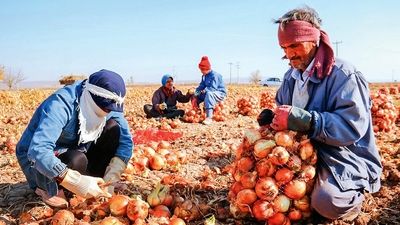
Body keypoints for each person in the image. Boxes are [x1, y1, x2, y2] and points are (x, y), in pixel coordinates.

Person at [258, 6, 382, 221]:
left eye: (295, 45)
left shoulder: (344, 75)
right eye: (284, 47)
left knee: (327, 203)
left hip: (343, 154)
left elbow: (352, 126)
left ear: (313, 40)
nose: (289, 54)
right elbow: (284, 109)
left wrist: (309, 121)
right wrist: (273, 118)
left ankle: (356, 197)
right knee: (264, 183)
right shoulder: (291, 76)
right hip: (304, 150)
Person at [16, 69, 133, 208]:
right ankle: (47, 188)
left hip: (80, 147)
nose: (108, 112)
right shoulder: (61, 104)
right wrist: (74, 181)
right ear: (92, 98)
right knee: (77, 160)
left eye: (111, 110)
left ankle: (96, 182)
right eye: (105, 109)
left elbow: (126, 141)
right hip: (40, 157)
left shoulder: (110, 102)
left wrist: (112, 176)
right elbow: (38, 151)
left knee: (113, 128)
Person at [192, 56, 227, 125]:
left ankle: (209, 117)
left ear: (206, 68)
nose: (201, 71)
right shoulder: (204, 76)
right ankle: (197, 112)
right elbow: (201, 86)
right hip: (208, 91)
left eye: (202, 70)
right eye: (200, 70)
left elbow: (212, 88)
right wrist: (196, 92)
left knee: (209, 94)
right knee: (194, 96)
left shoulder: (215, 75)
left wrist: (204, 90)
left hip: (219, 93)